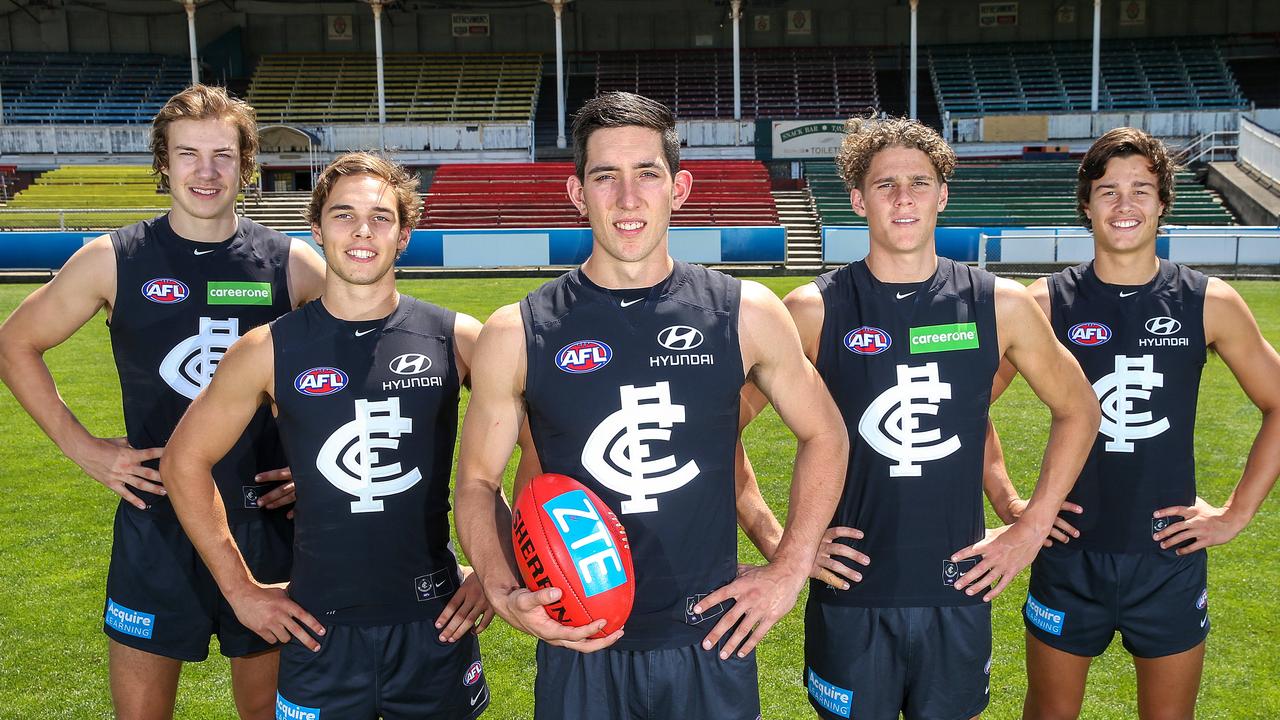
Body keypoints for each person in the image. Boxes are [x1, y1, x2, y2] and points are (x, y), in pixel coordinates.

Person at [454, 91, 849, 720]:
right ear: (577, 193)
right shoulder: (517, 331)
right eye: (605, 176)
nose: (628, 198)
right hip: (579, 634)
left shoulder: (746, 313)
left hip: (710, 634)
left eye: (647, 174)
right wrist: (502, 589)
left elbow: (825, 434)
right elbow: (477, 481)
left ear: (680, 186)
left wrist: (789, 568)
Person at [736, 116, 1101, 720]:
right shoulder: (812, 309)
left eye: (920, 182)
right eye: (885, 185)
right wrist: (784, 547)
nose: (904, 198)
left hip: (958, 591)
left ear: (943, 193)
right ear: (857, 199)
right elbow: (716, 431)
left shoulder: (999, 304)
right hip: (850, 595)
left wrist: (1030, 528)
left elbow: (1080, 409)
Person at [0, 84, 325, 720]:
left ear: (246, 164)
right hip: (156, 520)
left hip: (263, 524)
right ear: (164, 163)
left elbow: (350, 368)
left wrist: (316, 468)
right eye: (188, 154)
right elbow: (15, 344)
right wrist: (84, 448)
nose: (206, 171)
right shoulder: (113, 259)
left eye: (223, 156)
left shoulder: (291, 264)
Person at [162, 152, 493, 719]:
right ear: (316, 230)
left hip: (434, 622)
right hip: (318, 630)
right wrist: (241, 590)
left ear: (405, 233)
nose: (362, 232)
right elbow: (182, 462)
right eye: (343, 215)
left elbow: (534, 443)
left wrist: (496, 566)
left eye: (380, 217)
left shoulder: (458, 337)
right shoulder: (267, 348)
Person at [983, 127, 1280, 720]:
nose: (1125, 205)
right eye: (1109, 191)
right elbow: (967, 406)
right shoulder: (1044, 302)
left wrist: (1235, 515)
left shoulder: (1208, 301)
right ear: (1086, 204)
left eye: (1141, 190)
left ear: (1163, 202)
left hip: (1167, 557)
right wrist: (1011, 500)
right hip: (1070, 555)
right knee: (1048, 713)